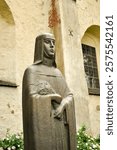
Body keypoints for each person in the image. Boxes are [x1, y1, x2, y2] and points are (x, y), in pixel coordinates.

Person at [22, 33, 76, 150]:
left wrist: (62, 106)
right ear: (40, 46)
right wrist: (53, 97)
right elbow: (31, 98)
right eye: (47, 42)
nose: (52, 46)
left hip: (60, 125)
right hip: (45, 125)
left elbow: (69, 95)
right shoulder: (31, 71)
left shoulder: (57, 72)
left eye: (53, 42)